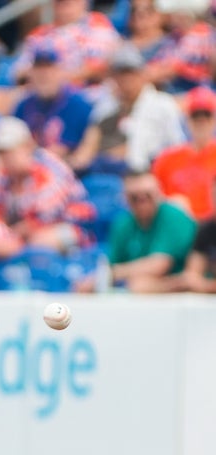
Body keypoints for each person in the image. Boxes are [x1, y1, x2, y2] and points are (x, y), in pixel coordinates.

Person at [0, 116, 94, 256]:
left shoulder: (48, 166)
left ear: (27, 146)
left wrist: (14, 236)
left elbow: (48, 215)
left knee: (39, 242)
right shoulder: (5, 177)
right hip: (24, 233)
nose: (4, 158)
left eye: (8, 151)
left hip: (71, 228)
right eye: (0, 153)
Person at [69, 43, 186, 175]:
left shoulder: (163, 104)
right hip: (107, 172)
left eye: (131, 73)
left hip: (149, 173)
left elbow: (177, 146)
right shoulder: (105, 106)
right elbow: (88, 145)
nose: (126, 79)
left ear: (142, 74)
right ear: (114, 77)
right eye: (121, 74)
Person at [105, 170, 197, 292]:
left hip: (182, 288)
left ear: (159, 193)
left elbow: (160, 265)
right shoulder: (123, 224)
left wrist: (113, 273)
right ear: (125, 198)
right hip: (145, 289)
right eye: (134, 198)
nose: (142, 202)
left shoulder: (173, 216)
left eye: (148, 195)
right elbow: (113, 263)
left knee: (140, 286)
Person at [12, 47, 93, 161]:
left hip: (65, 166)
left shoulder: (78, 105)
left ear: (61, 71)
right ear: (30, 73)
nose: (43, 75)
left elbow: (62, 150)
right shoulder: (23, 105)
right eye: (38, 69)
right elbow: (11, 143)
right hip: (29, 164)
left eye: (49, 68)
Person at [152, 85, 216, 221]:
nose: (201, 122)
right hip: (178, 224)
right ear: (187, 119)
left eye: (206, 116)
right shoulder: (167, 158)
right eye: (195, 116)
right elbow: (155, 197)